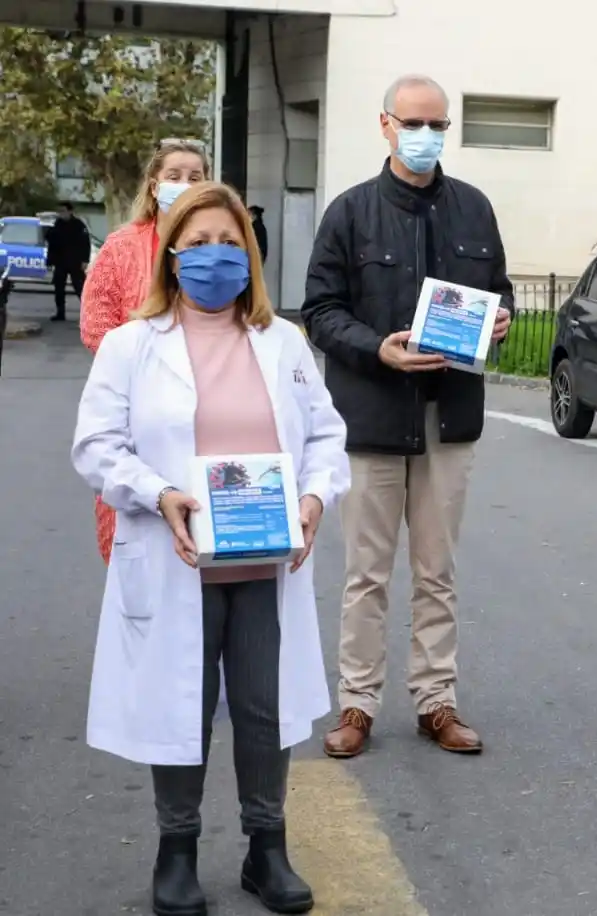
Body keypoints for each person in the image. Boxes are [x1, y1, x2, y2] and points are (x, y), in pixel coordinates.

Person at [71, 182, 349, 916]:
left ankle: (267, 849)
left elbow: (324, 433)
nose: (214, 258)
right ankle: (178, 850)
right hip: (176, 556)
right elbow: (96, 444)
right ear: (170, 256)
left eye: (230, 243)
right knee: (180, 707)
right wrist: (157, 492)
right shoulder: (134, 346)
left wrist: (316, 496)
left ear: (250, 256)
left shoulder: (283, 342)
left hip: (266, 559)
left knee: (264, 708)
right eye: (197, 245)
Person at [302, 74, 513, 759]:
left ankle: (436, 701)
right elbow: (322, 312)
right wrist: (379, 351)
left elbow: (499, 291)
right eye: (413, 123)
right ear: (386, 125)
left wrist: (500, 321)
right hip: (369, 417)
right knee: (366, 573)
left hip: (447, 417)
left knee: (436, 570)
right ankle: (357, 704)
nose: (426, 137)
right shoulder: (351, 212)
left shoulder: (474, 210)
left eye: (438, 125)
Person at [81, 139, 210, 566]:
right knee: (134, 543)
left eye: (195, 177)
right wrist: (145, 370)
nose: (184, 184)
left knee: (203, 531)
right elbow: (96, 325)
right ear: (154, 186)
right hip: (136, 409)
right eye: (174, 176)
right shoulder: (121, 247)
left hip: (207, 408)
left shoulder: (220, 248)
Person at [45, 201, 92, 322]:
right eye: (59, 211)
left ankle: (89, 314)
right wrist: (50, 261)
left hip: (75, 261)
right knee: (59, 288)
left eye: (63, 211)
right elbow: (51, 242)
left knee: (80, 288)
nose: (61, 214)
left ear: (70, 211)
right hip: (61, 262)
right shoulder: (57, 224)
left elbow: (85, 244)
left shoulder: (78, 225)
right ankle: (60, 313)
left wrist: (84, 260)